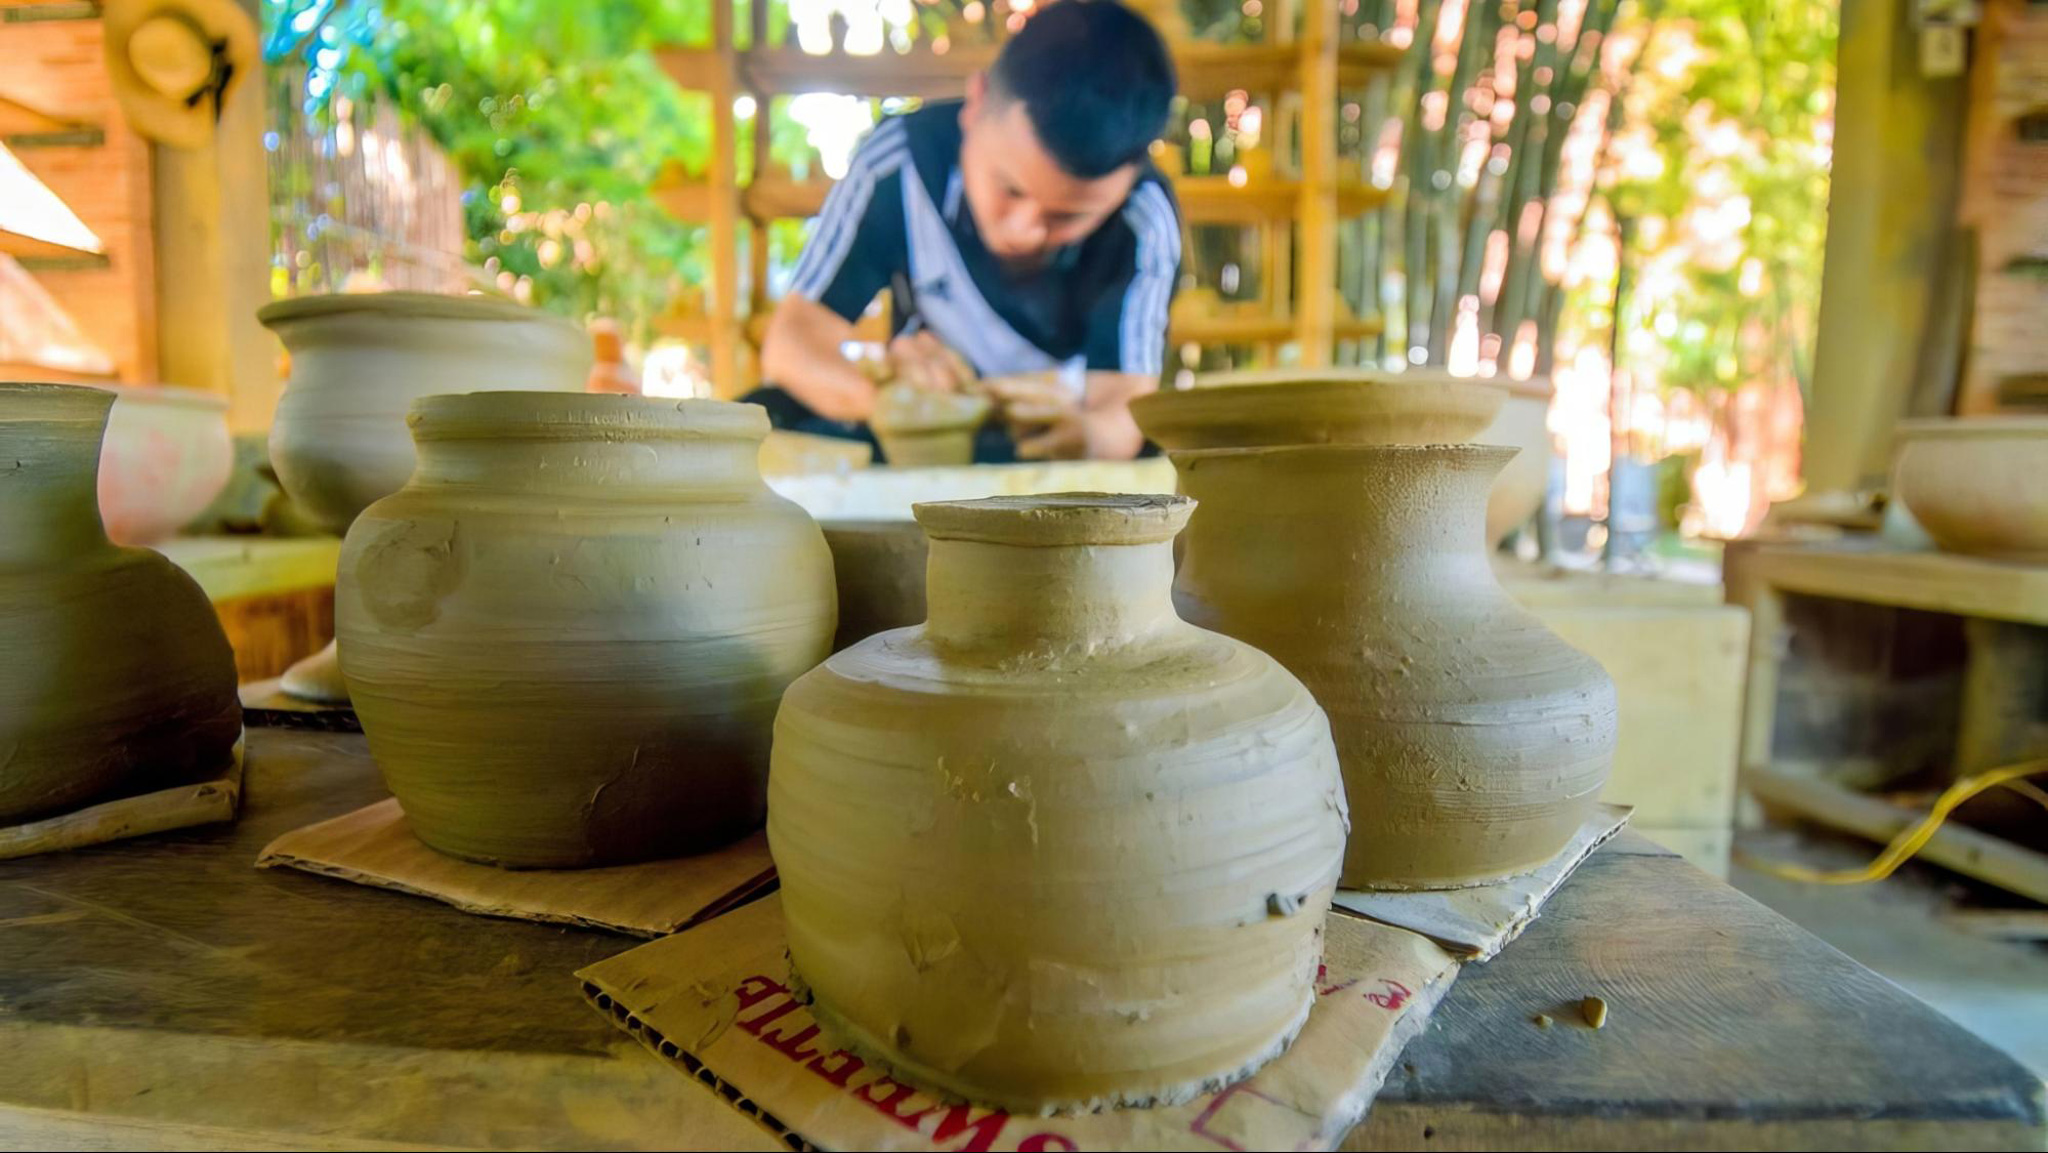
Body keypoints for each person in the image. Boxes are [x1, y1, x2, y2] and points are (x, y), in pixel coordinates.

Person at [749, 0, 1180, 462]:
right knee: (767, 414)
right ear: (975, 107)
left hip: (1050, 450)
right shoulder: (901, 163)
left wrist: (1091, 437)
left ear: (1128, 181)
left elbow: (1120, 411)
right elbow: (792, 345)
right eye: (1010, 189)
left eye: (1067, 217)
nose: (1025, 231)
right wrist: (900, 404)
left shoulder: (1144, 217)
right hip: (917, 440)